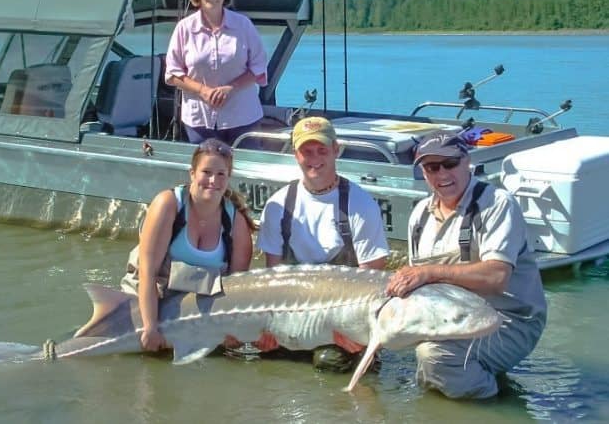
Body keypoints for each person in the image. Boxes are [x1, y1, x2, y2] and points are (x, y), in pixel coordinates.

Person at [386, 132, 547, 399]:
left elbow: (497, 276)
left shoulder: (497, 203)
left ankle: (496, 406)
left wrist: (429, 272)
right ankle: (482, 380)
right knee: (421, 369)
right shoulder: (419, 216)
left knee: (434, 355)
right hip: (450, 316)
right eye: (432, 167)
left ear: (467, 161)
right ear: (423, 172)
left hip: (507, 319)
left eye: (450, 164)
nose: (442, 174)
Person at [256, 116, 390, 369]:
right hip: (293, 314)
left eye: (322, 150)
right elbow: (271, 278)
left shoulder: (360, 204)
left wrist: (357, 333)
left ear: (335, 150)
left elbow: (374, 284)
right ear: (296, 154)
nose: (314, 158)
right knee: (267, 359)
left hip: (344, 316)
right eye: (307, 151)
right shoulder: (278, 205)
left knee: (330, 364)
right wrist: (267, 326)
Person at [120, 138, 256, 352]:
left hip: (196, 310)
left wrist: (232, 330)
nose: (213, 180)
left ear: (229, 178)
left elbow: (236, 289)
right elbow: (147, 271)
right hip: (151, 298)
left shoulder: (236, 222)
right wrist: (150, 327)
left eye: (221, 174)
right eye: (206, 172)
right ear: (192, 173)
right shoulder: (169, 204)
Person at [165, 0, 268, 146]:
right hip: (199, 121)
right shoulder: (184, 28)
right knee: (207, 173)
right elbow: (172, 74)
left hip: (243, 118)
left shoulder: (243, 25)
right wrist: (202, 90)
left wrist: (231, 88)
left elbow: (259, 66)